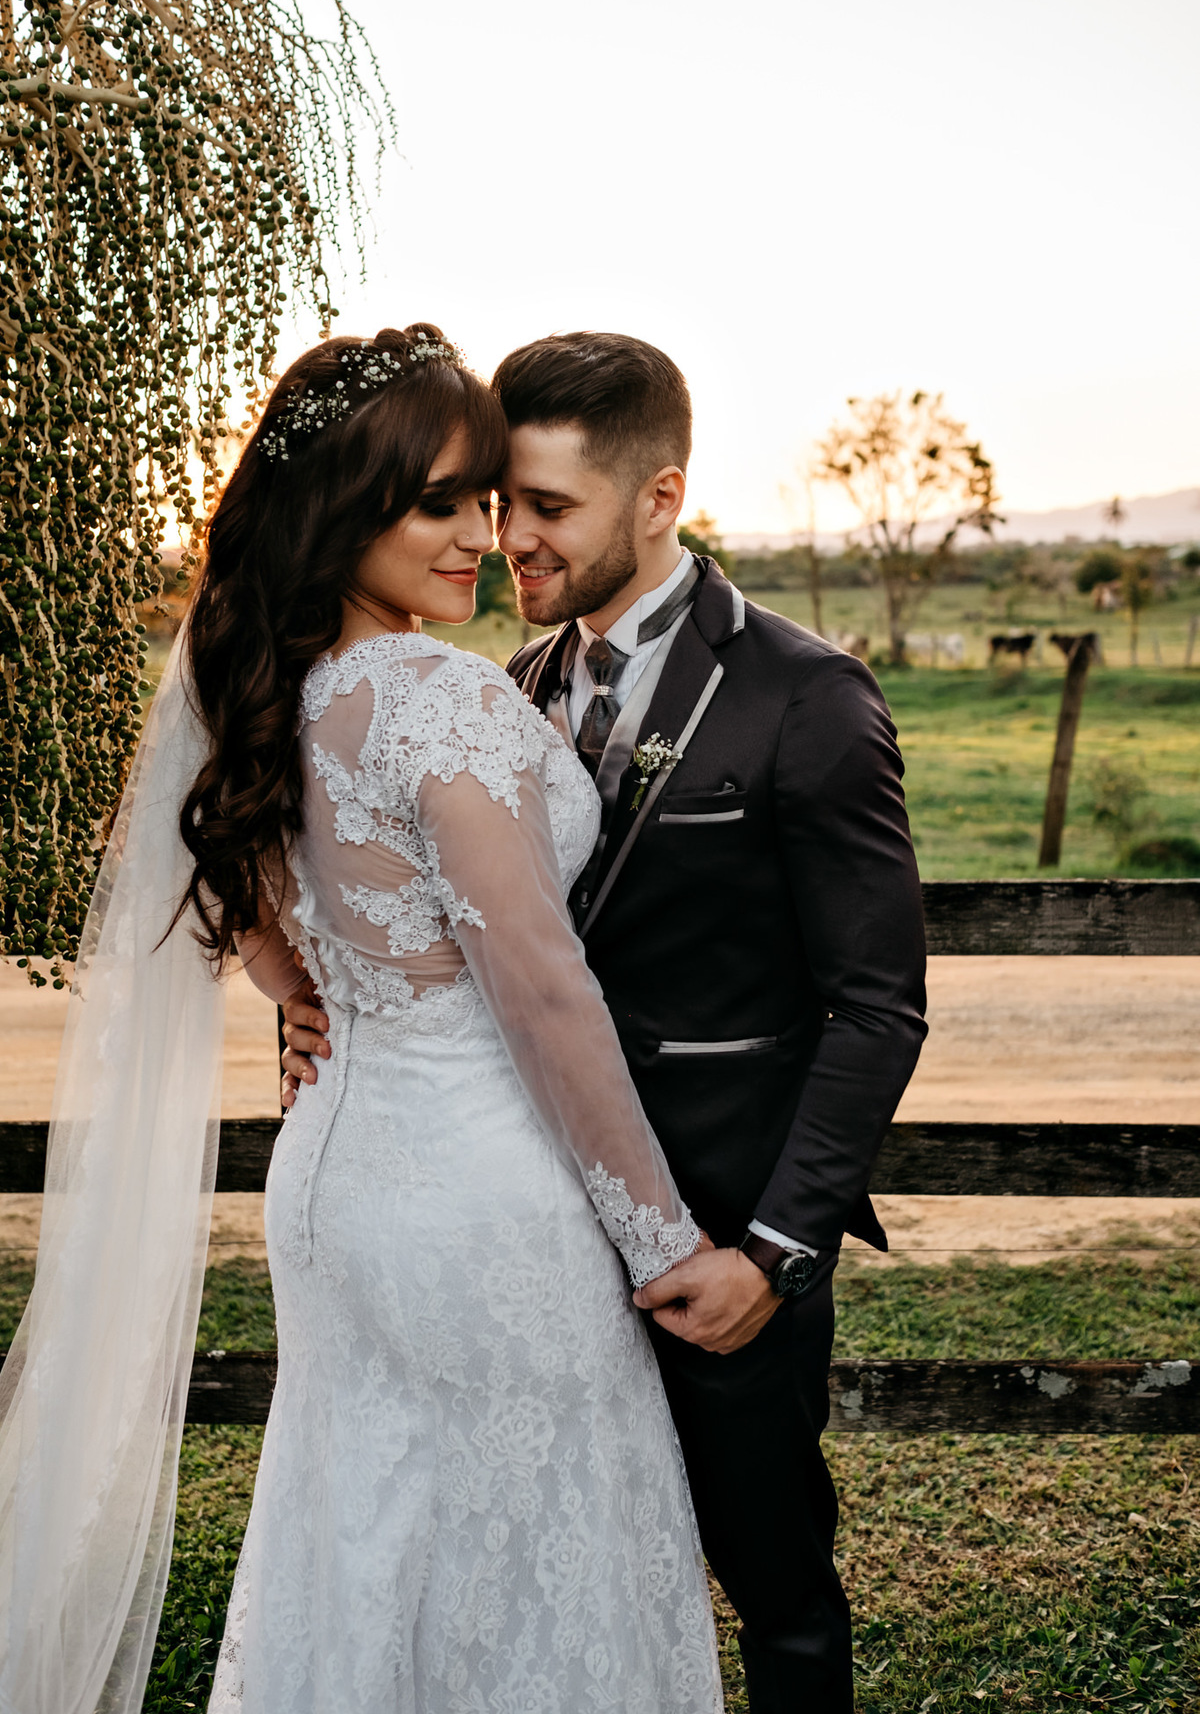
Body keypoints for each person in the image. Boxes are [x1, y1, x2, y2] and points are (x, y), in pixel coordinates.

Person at [0, 325, 724, 1714]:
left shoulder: (259, 690)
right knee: (538, 1552)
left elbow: (212, 871)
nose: (482, 535)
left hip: (337, 1189)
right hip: (479, 1199)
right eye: (439, 502)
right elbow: (542, 988)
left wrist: (298, 982)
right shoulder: (428, 694)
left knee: (370, 1529)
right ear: (345, 509)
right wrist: (662, 1237)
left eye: (491, 499)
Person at [283, 330, 929, 1713]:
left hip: (720, 1234)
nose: (510, 537)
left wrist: (778, 1248)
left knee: (776, 1584)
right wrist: (311, 1002)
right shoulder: (505, 685)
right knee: (546, 1578)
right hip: (521, 1233)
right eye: (496, 501)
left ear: (661, 498)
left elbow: (877, 1008)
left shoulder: (804, 697)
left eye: (547, 509)